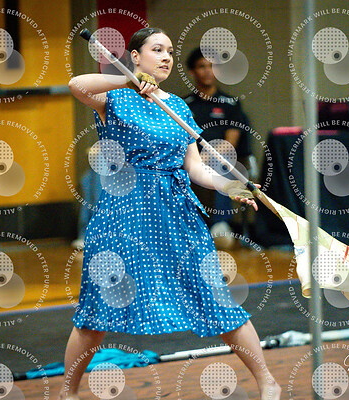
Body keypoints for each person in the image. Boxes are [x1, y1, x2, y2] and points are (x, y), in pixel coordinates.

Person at [59, 27, 281, 400]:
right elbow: (77, 85)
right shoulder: (115, 97)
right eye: (157, 50)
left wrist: (231, 186)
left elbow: (195, 168)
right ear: (135, 56)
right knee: (96, 311)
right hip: (124, 214)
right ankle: (68, 392)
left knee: (216, 299)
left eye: (170, 52)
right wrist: (128, 80)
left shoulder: (177, 107)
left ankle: (268, 381)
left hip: (176, 213)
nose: (166, 57)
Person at [183, 47, 255, 242]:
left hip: (221, 159)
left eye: (212, 66)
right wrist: (194, 160)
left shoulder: (230, 104)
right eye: (202, 66)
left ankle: (220, 225)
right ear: (192, 71)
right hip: (190, 160)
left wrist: (205, 157)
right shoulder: (184, 104)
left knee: (219, 163)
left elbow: (230, 143)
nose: (208, 71)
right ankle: (187, 227)